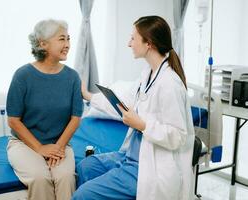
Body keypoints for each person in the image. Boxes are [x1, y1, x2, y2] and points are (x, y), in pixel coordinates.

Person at [72, 16, 195, 200]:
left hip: (149, 167)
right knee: (86, 166)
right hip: (130, 156)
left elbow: (178, 135)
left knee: (82, 195)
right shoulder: (147, 74)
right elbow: (123, 103)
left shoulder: (169, 84)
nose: (129, 43)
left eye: (133, 38)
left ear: (149, 44)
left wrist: (143, 125)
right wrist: (88, 96)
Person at [6, 19, 83, 200]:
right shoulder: (23, 75)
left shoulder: (72, 77)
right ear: (43, 44)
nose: (68, 45)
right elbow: (13, 120)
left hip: (60, 144)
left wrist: (58, 147)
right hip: (24, 144)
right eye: (62, 39)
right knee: (40, 178)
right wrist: (40, 148)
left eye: (69, 39)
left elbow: (75, 118)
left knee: (65, 177)